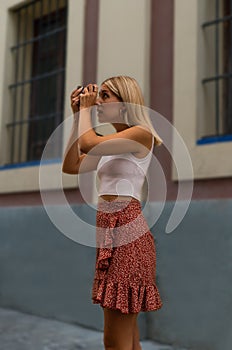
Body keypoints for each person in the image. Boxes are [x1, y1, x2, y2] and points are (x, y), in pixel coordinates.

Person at [62, 76, 163, 350]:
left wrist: (84, 113)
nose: (98, 101)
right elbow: (71, 165)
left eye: (105, 95)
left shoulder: (140, 133)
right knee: (128, 339)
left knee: (114, 341)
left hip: (128, 236)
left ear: (124, 102)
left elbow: (88, 143)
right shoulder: (111, 145)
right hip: (110, 234)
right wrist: (77, 116)